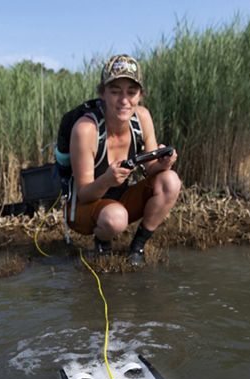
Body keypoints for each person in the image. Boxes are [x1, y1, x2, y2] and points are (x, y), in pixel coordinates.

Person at [68, 54, 181, 265]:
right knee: (116, 218)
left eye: (132, 92)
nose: (124, 101)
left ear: (140, 95)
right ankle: (102, 242)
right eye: (115, 91)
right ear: (102, 94)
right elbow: (83, 195)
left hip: (121, 200)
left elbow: (151, 169)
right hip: (84, 209)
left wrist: (163, 164)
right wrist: (107, 180)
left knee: (170, 180)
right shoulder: (86, 130)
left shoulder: (142, 118)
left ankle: (137, 247)